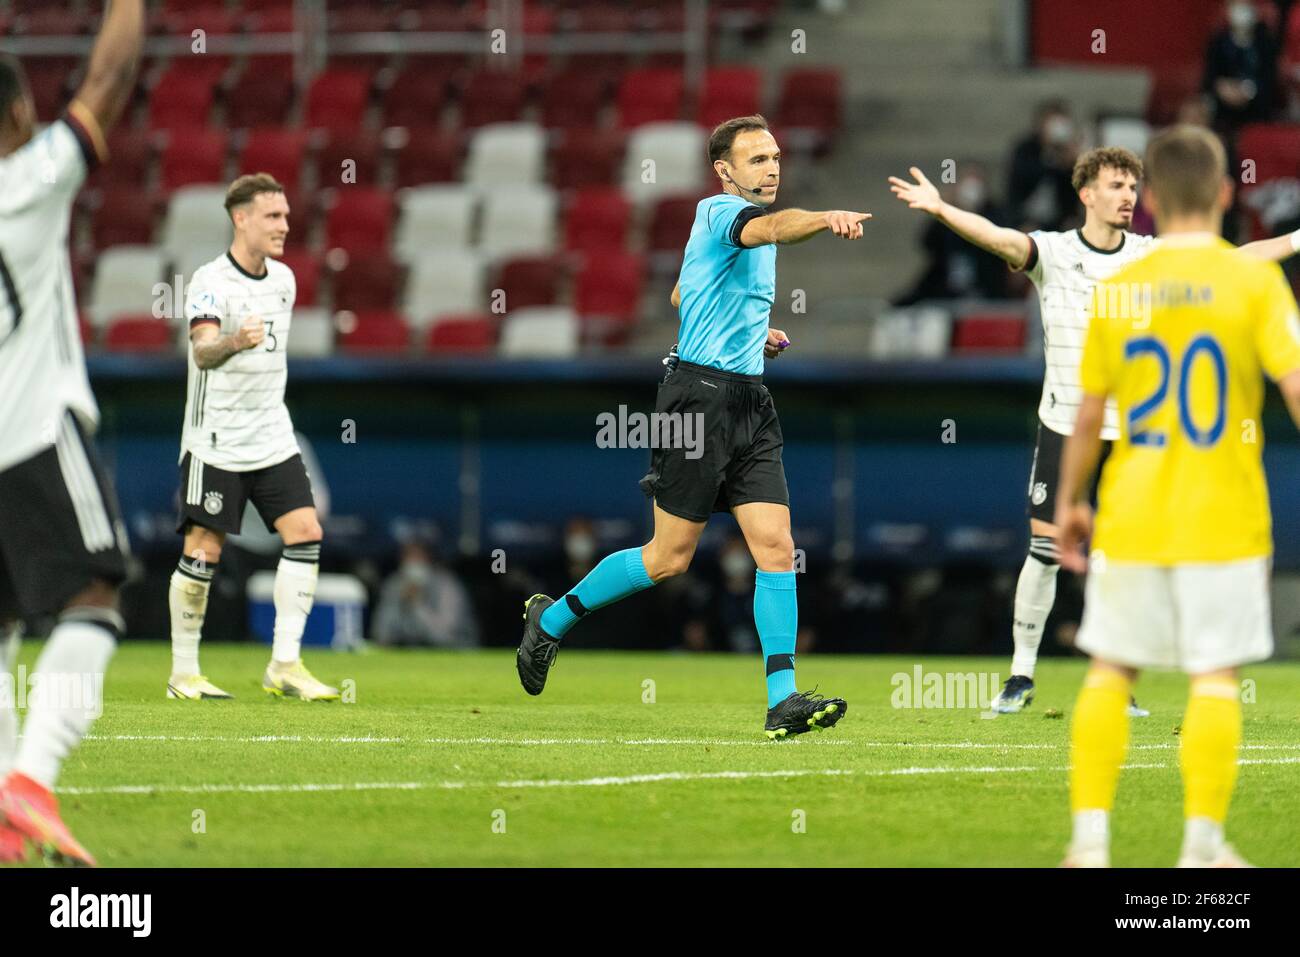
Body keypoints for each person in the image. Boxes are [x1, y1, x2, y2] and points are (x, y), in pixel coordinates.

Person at [889, 146, 1300, 716]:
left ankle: (1117, 681)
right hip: (1065, 425)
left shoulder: (1151, 255)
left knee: (1117, 558)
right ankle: (1021, 675)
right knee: (1045, 549)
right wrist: (940, 209)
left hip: (1130, 435)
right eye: (1115, 186)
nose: (1128, 196)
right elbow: (998, 236)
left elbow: (1238, 258)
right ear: (1086, 194)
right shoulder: (1052, 252)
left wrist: (1297, 240)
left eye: (1133, 187)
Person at [515, 114, 868, 739]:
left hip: (750, 401)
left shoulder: (741, 237)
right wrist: (823, 217)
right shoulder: (720, 213)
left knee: (777, 546)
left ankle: (781, 698)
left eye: (776, 156)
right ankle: (551, 621)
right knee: (668, 558)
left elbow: (682, 294)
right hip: (695, 402)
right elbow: (774, 228)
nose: (772, 167)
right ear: (725, 171)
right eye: (757, 159)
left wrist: (752, 333)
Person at [1056, 124, 1300, 867]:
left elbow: (1090, 412)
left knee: (1109, 668)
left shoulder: (1120, 288)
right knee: (1215, 677)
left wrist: (1072, 499)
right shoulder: (1254, 281)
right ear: (1227, 194)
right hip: (1225, 513)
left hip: (1132, 507)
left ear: (1153, 199)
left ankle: (1089, 843)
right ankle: (1200, 845)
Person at [0, 0, 144, 867]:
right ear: (18, 115)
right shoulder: (28, 180)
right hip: (33, 429)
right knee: (95, 593)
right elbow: (110, 79)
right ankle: (32, 778)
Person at [166, 174, 338, 702]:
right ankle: (184, 673)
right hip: (215, 438)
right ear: (241, 219)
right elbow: (202, 351)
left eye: (286, 216)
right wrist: (235, 342)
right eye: (273, 216)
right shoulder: (210, 281)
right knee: (204, 548)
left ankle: (284, 664)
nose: (285, 225)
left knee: (306, 530)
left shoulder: (284, 281)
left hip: (271, 434)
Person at [371, 539, 479, 648]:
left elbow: (444, 635)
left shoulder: (447, 585)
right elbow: (381, 633)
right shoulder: (394, 584)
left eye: (418, 557)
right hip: (410, 651)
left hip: (455, 651)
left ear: (429, 559)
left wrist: (417, 604)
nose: (413, 562)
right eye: (408, 557)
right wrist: (400, 603)